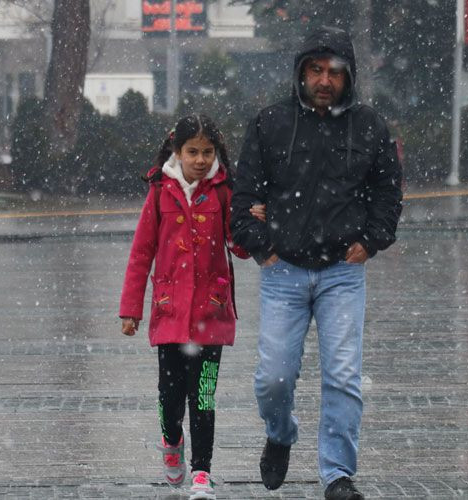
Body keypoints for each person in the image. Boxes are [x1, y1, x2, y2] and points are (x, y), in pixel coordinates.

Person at [230, 26, 403, 500]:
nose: (325, 80)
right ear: (301, 72)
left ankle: (337, 474)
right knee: (273, 378)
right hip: (282, 270)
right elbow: (244, 197)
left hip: (343, 273)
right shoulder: (270, 124)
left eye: (335, 72)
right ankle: (281, 433)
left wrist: (373, 239)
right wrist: (261, 244)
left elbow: (389, 193)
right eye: (316, 70)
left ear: (349, 76)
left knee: (343, 375)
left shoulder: (369, 126)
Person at [119, 114, 250, 499]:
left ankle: (202, 472)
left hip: (211, 314)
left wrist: (253, 223)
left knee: (204, 395)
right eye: (192, 151)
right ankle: (172, 441)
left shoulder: (224, 191)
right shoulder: (161, 191)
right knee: (170, 394)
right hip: (170, 314)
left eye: (207, 152)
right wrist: (131, 309)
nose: (200, 159)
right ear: (177, 152)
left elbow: (238, 248)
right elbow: (141, 253)